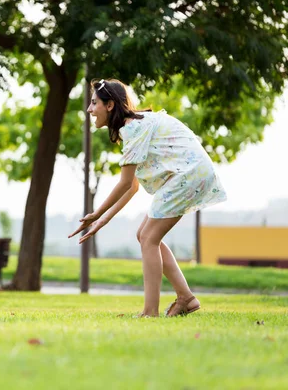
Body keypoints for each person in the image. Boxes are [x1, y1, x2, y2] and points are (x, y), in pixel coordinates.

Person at [68, 79, 227, 317]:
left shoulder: (132, 128)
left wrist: (98, 213)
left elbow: (124, 183)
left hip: (188, 175)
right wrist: (103, 220)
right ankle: (186, 298)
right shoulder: (135, 126)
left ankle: (150, 312)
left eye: (94, 103)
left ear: (110, 105)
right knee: (144, 235)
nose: (89, 109)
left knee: (149, 238)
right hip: (190, 174)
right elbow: (132, 186)